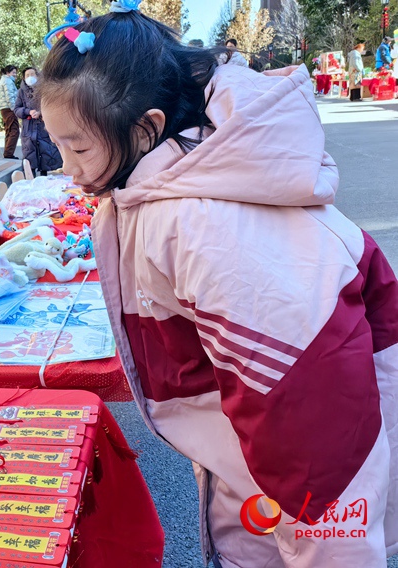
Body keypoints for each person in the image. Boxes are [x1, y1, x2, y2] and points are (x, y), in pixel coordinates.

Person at [40, 5, 398, 567]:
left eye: (78, 147)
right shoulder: (168, 184)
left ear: (147, 127)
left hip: (308, 493)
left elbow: (307, 426)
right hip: (266, 474)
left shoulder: (201, 224)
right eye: (57, 146)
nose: (66, 167)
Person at [13, 67, 62, 175]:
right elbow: (16, 109)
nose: (30, 77)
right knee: (30, 159)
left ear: (37, 76)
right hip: (29, 130)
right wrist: (28, 112)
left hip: (43, 129)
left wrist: (40, 112)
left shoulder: (45, 89)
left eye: (32, 74)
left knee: (45, 157)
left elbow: (52, 106)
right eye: (27, 75)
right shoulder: (21, 92)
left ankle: (44, 180)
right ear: (23, 78)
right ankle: (31, 180)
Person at [0, 65, 20, 159]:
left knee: (9, 131)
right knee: (14, 131)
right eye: (13, 72)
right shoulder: (8, 81)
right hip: (9, 109)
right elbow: (9, 96)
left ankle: (7, 153)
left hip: (4, 108)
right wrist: (15, 109)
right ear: (7, 73)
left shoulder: (4, 80)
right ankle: (8, 154)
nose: (15, 75)